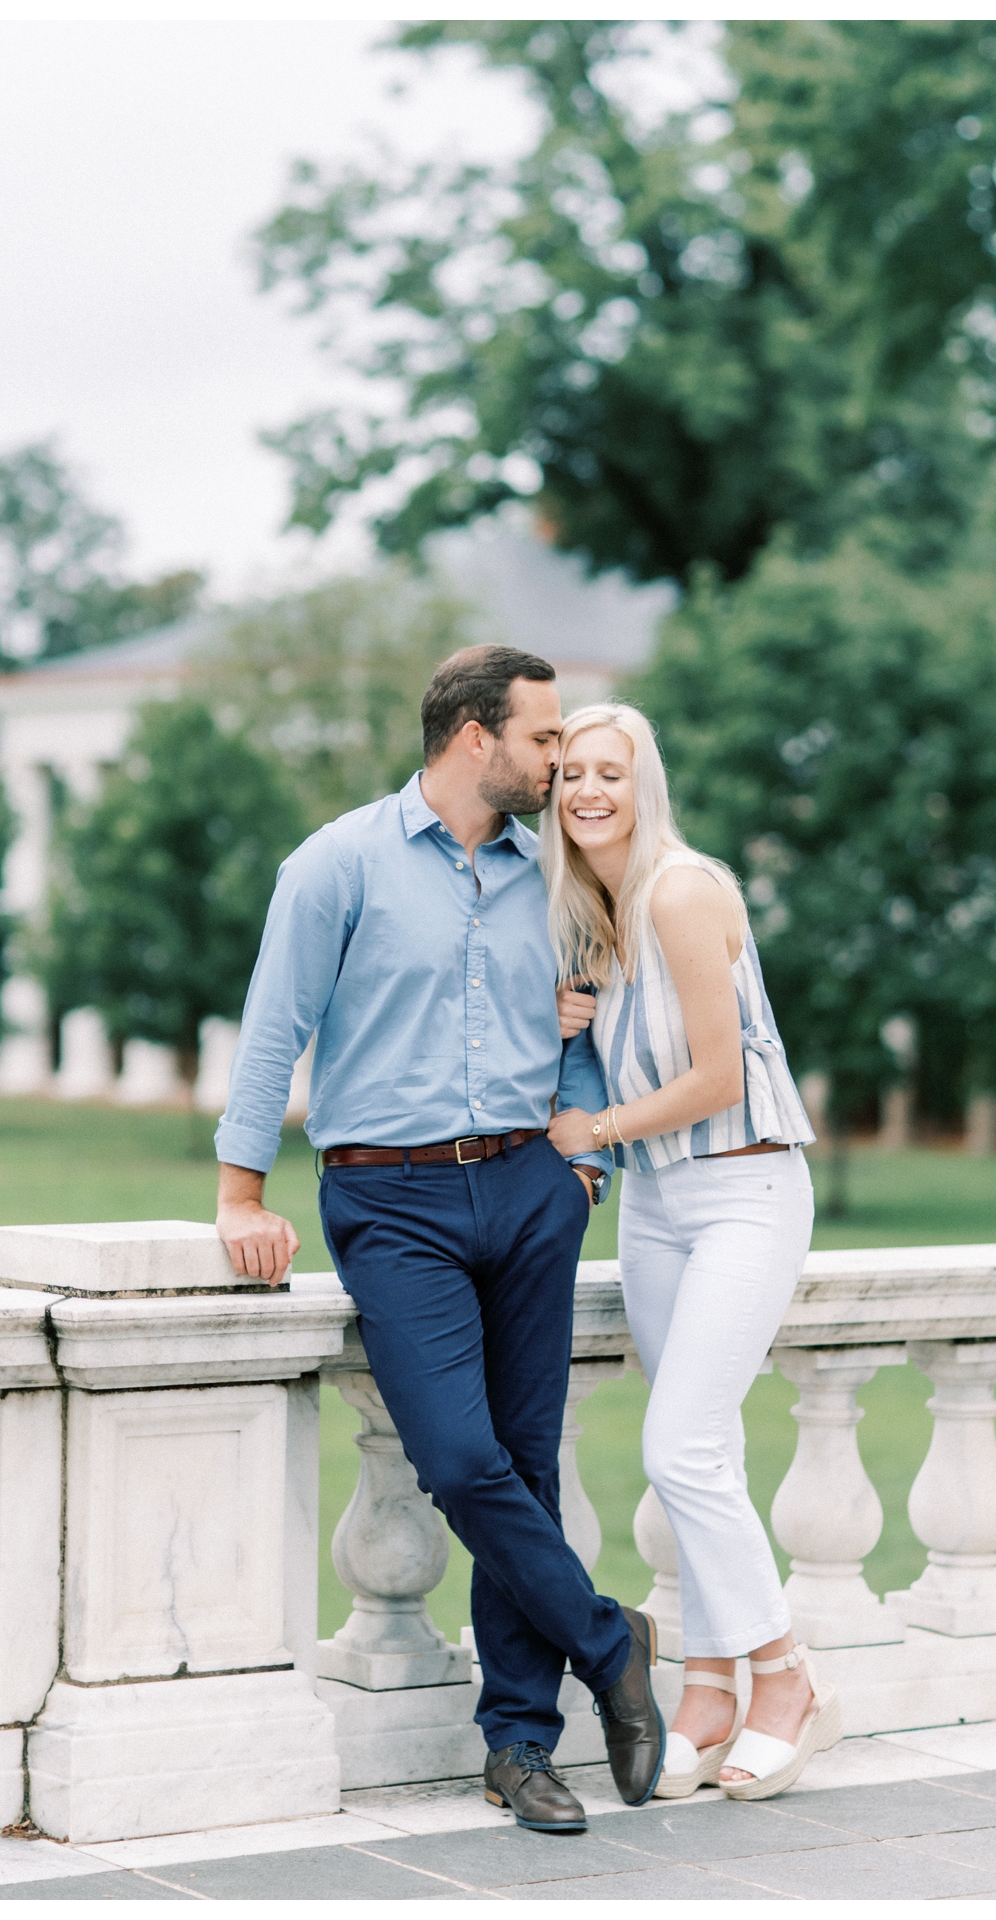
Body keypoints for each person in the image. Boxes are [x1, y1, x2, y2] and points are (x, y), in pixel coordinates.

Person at [214, 646, 665, 1833]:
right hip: (390, 1202)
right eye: (542, 736)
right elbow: (274, 1031)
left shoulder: (554, 875)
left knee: (524, 1462)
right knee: (460, 1462)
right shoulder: (336, 865)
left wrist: (580, 1167)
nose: (559, 756)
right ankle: (610, 1642)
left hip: (528, 1189)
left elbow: (583, 1029)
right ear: (474, 736)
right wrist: (240, 1192)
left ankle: (519, 1746)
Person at [542, 701, 841, 1802]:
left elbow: (717, 1077)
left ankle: (785, 1676)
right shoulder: (598, 912)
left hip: (744, 1191)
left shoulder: (678, 889)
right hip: (658, 1207)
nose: (588, 792)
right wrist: (573, 1022)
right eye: (570, 772)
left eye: (610, 772)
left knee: (678, 1450)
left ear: (644, 781)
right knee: (705, 1451)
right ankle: (709, 1684)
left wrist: (600, 1131)